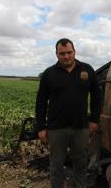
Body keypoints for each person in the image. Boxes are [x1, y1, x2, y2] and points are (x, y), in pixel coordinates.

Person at [35, 38, 101, 188]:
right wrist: (41, 128)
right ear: (56, 54)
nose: (66, 56)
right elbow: (40, 102)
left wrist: (94, 120)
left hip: (81, 127)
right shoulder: (49, 73)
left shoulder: (87, 70)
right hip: (56, 128)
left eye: (69, 52)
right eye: (62, 53)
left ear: (74, 52)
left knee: (80, 164)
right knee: (56, 165)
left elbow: (97, 96)